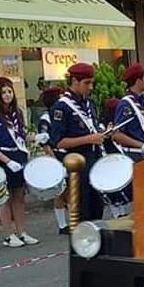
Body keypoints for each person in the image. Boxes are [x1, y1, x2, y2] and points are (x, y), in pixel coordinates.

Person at [0, 77, 40, 248]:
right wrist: (7, 161)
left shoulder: (17, 113)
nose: (7, 95)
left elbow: (20, 135)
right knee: (4, 198)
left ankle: (22, 232)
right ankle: (9, 234)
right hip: (2, 158)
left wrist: (35, 137)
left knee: (19, 197)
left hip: (18, 157)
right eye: (4, 92)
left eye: (9, 91)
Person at [49, 62, 105, 223]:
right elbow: (59, 142)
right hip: (76, 161)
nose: (91, 87)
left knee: (97, 206)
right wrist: (89, 139)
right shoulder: (62, 107)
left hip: (94, 157)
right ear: (74, 81)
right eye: (87, 83)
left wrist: (102, 133)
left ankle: (98, 245)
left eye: (92, 82)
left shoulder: (89, 103)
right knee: (82, 209)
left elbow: (92, 128)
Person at [38, 86, 69, 235]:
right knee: (59, 192)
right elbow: (45, 144)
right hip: (57, 156)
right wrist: (56, 163)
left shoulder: (63, 114)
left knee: (72, 190)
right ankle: (62, 225)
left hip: (69, 154)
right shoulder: (45, 119)